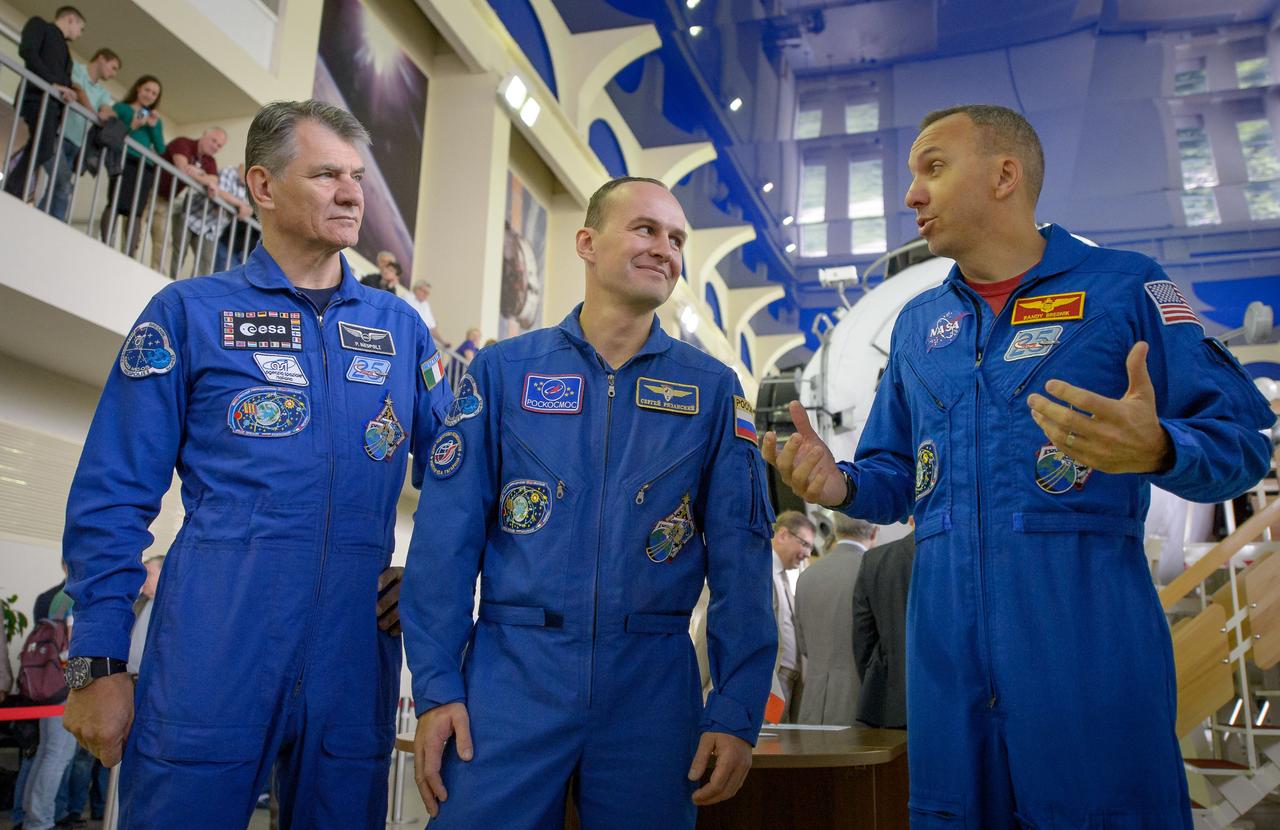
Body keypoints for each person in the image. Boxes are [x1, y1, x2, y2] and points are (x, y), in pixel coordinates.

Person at [765, 104, 1277, 828]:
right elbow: (894, 474)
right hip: (946, 681)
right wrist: (841, 483)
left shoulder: (1127, 290)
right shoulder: (919, 328)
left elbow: (1244, 443)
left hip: (1086, 661)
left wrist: (1162, 447)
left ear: (1005, 175)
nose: (911, 193)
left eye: (932, 167)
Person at [60, 100, 453, 829]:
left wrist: (428, 573)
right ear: (263, 187)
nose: (351, 193)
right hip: (216, 642)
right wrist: (98, 662)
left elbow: (459, 482)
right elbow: (112, 495)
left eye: (357, 177)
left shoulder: (401, 332)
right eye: (326, 174)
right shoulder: (187, 313)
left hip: (355, 646)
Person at [402, 176, 777, 829]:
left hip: (652, 688)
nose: (666, 248)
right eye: (646, 229)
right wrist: (436, 686)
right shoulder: (502, 373)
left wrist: (737, 707)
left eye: (678, 239)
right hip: (511, 678)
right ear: (586, 242)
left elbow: (743, 564)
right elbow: (444, 542)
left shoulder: (714, 391)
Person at [794, 513, 875, 725]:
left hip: (813, 706)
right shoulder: (873, 571)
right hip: (859, 706)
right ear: (874, 532)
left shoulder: (807, 576)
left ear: (836, 531)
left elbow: (804, 647)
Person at [3, 7, 83, 214]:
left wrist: (66, 91)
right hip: (35, 96)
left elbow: (63, 79)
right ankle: (12, 187)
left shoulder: (67, 54)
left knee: (42, 146)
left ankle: (15, 187)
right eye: (80, 28)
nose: (79, 34)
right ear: (71, 19)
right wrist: (51, 83)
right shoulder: (39, 25)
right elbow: (28, 51)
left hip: (52, 106)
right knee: (43, 146)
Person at [850, 528, 915, 729]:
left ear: (911, 518)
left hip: (894, 704)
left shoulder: (876, 560)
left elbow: (863, 638)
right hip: (962, 706)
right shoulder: (964, 556)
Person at [100, 75, 164, 257]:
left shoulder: (155, 119)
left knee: (136, 210)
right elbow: (114, 132)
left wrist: (153, 126)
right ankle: (105, 242)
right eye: (147, 90)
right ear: (138, 89)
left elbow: (160, 148)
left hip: (145, 166)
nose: (150, 95)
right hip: (123, 159)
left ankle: (130, 253)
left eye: (154, 93)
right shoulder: (122, 108)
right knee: (115, 201)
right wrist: (134, 124)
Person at [153, 127, 226, 275]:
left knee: (161, 241)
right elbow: (182, 168)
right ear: (204, 134)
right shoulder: (183, 143)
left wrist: (199, 173)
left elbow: (214, 180)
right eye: (214, 140)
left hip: (165, 200)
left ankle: (158, 276)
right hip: (149, 190)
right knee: (134, 230)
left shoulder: (209, 160)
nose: (215, 147)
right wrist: (203, 177)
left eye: (219, 145)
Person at [768, 510, 813, 722]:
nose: (806, 553)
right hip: (774, 677)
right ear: (783, 534)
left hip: (792, 677)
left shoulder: (786, 577)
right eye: (804, 544)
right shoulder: (761, 571)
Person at [187, 163, 254, 277]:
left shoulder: (250, 188)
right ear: (241, 168)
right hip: (194, 217)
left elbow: (250, 209)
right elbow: (219, 192)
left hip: (213, 230)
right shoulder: (228, 172)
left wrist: (246, 209)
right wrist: (239, 204)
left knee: (205, 265)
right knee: (178, 253)